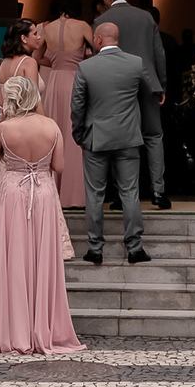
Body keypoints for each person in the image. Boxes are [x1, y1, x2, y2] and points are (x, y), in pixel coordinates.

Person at [0, 76, 85, 356]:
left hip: (13, 194)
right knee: (41, 258)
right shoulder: (51, 126)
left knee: (13, 258)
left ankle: (13, 330)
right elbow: (59, 167)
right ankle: (43, 329)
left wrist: (0, 122)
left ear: (11, 100)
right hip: (44, 193)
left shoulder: (5, 128)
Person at [71, 22, 158, 266]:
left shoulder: (86, 67)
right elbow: (148, 94)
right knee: (130, 192)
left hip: (96, 138)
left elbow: (77, 106)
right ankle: (135, 247)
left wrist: (79, 134)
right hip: (129, 137)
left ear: (98, 39)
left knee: (95, 194)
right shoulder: (135, 63)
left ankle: (95, 248)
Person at [93, 0, 170, 208]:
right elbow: (159, 54)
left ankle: (123, 194)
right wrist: (161, 84)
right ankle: (158, 191)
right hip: (147, 83)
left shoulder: (100, 21)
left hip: (115, 85)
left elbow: (98, 57)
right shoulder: (146, 17)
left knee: (121, 139)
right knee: (154, 136)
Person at [36, 0, 93, 208]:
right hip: (74, 80)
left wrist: (58, 62)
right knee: (75, 134)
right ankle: (76, 196)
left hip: (54, 83)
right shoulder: (83, 26)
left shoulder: (47, 29)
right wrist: (79, 61)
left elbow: (38, 58)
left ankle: (54, 193)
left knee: (55, 133)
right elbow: (98, 53)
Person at [0, 19, 45, 109]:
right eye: (35, 34)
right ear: (23, 38)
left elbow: (0, 102)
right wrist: (45, 122)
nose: (39, 37)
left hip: (8, 119)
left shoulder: (4, 63)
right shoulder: (29, 62)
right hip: (26, 120)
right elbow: (34, 102)